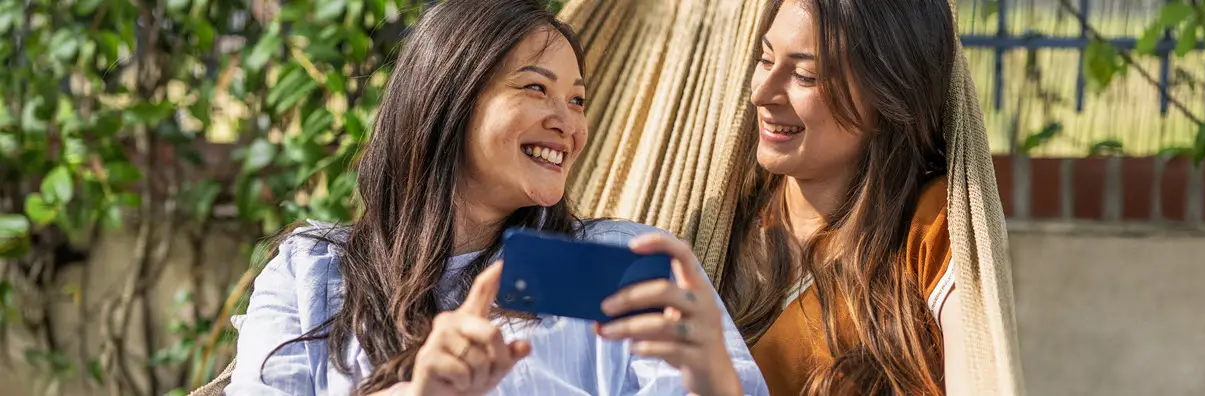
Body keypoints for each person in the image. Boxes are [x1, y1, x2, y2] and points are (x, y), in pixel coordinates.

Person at [224, 1, 767, 395]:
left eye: (577, 100)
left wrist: (713, 382)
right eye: (536, 88)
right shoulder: (313, 272)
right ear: (448, 99)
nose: (569, 123)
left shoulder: (621, 263)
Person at [707, 0, 968, 394]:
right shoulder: (719, 227)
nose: (762, 93)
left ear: (887, 94)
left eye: (805, 75)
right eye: (765, 58)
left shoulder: (930, 227)